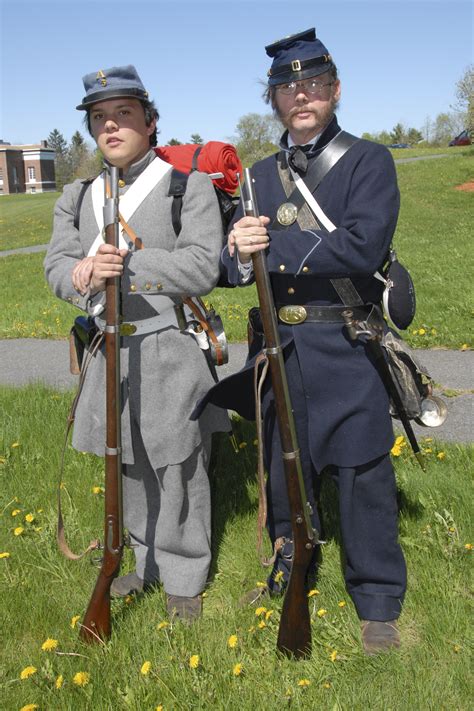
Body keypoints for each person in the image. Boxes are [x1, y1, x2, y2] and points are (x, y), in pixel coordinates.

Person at [199, 28, 406, 654]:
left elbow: (362, 244)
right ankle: (290, 564)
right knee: (285, 469)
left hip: (342, 341)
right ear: (274, 99)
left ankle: (376, 601)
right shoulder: (258, 176)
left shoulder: (370, 161)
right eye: (287, 87)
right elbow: (233, 265)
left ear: (335, 89)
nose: (301, 95)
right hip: (277, 350)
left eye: (313, 83)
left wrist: (272, 249)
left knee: (362, 471)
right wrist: (236, 252)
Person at [45, 65, 229, 622]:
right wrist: (80, 275)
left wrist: (126, 265)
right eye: (100, 118)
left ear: (150, 122)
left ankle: (185, 573)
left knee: (177, 465)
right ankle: (144, 560)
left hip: (167, 344)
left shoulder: (185, 186)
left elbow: (202, 267)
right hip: (107, 349)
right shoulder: (79, 195)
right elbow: (55, 265)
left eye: (123, 114)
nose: (111, 126)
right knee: (124, 463)